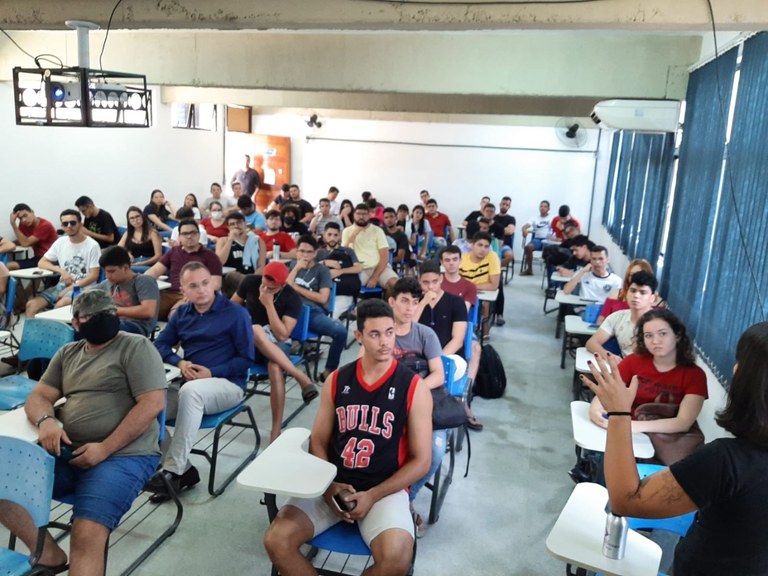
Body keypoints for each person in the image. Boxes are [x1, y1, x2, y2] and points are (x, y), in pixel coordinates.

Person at [578, 324, 768, 576]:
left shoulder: (727, 460)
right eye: (648, 335)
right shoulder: (633, 363)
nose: (734, 369)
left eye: (741, 362)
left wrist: (619, 414)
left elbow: (625, 501)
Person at [0, 289, 166, 575]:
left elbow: (152, 403)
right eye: (93, 316)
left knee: (86, 534)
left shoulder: (135, 346)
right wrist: (46, 421)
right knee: (4, 478)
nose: (104, 319)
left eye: (109, 313)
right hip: (68, 450)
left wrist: (104, 448)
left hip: (122, 455)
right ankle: (48, 553)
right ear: (76, 323)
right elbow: (39, 396)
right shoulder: (68, 353)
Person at [263, 299, 432, 576]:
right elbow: (318, 440)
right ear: (359, 336)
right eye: (375, 334)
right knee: (276, 541)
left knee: (397, 559)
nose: (385, 342)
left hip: (383, 490)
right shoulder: (338, 380)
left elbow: (422, 460)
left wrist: (373, 495)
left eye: (389, 332)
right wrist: (329, 486)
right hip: (333, 484)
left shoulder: (414, 387)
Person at [150, 262, 255, 501]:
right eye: (193, 286)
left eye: (205, 283)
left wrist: (212, 372)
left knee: (191, 391)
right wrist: (179, 362)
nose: (201, 290)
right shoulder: (182, 315)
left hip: (228, 384)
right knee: (147, 404)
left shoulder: (235, 313)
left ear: (214, 282)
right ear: (183, 290)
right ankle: (185, 471)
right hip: (189, 383)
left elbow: (246, 359)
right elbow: (160, 344)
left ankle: (173, 471)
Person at [232, 261, 319, 442]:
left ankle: (276, 430)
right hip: (251, 342)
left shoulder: (292, 298)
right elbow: (230, 308)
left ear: (282, 285)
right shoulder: (250, 281)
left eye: (271, 288)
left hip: (277, 343)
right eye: (264, 284)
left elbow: (282, 335)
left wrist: (268, 304)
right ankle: (300, 377)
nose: (265, 289)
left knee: (275, 367)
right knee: (256, 329)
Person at [587, 308, 707, 434]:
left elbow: (682, 423)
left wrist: (631, 426)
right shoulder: (633, 361)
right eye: (648, 335)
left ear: (677, 335)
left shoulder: (695, 375)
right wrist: (595, 411)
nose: (655, 341)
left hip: (665, 437)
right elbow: (607, 392)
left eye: (663, 333)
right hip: (627, 429)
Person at [388, 276, 445, 538]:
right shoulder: (382, 333)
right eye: (404, 301)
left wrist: (413, 391)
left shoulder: (425, 334)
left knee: (434, 453)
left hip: (422, 404)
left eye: (414, 302)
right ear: (392, 302)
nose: (410, 307)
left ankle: (406, 498)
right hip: (389, 404)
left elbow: (438, 374)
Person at [418, 258, 483, 431]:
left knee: (440, 375)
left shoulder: (455, 302)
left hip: (447, 357)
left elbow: (457, 340)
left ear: (441, 279)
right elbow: (408, 328)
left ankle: (447, 413)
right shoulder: (416, 302)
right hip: (420, 357)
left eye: (434, 281)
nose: (430, 287)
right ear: (419, 282)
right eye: (425, 283)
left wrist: (437, 359)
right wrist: (423, 303)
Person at [286, 235, 347, 382]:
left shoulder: (322, 270)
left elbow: (322, 298)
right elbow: (284, 289)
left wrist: (297, 288)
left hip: (311, 312)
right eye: (301, 251)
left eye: (309, 252)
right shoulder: (292, 266)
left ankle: (329, 371)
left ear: (315, 253)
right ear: (297, 252)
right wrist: (296, 269)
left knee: (340, 332)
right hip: (289, 311)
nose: (304, 255)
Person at [25, 209, 101, 318]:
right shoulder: (60, 242)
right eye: (65, 224)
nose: (69, 226)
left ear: (80, 224)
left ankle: (54, 329)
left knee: (60, 306)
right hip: (62, 285)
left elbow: (94, 275)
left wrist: (69, 289)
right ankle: (34, 330)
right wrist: (62, 272)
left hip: (84, 288)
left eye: (73, 223)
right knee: (31, 305)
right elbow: (42, 262)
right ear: (62, 226)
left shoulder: (92, 245)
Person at [145, 218, 223, 320]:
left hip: (192, 296)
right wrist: (140, 283)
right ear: (180, 237)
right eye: (185, 234)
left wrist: (196, 293)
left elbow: (216, 284)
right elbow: (154, 271)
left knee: (176, 316)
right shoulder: (173, 252)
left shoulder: (210, 256)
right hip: (170, 293)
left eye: (193, 233)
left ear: (199, 235)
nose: (189, 236)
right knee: (142, 309)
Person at [586, 271, 658, 358]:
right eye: (633, 291)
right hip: (622, 365)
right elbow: (591, 343)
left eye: (642, 293)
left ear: (652, 298)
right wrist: (610, 357)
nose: (636, 295)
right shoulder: (617, 317)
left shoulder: (660, 323)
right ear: (626, 293)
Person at [96, 246, 160, 337]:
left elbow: (148, 311)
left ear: (125, 268)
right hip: (113, 323)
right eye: (105, 272)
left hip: (137, 327)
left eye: (111, 271)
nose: (107, 276)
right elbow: (85, 296)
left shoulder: (144, 281)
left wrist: (112, 310)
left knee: (101, 328)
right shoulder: (107, 283)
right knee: (82, 326)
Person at [342, 203, 398, 292]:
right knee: (345, 286)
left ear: (369, 215)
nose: (361, 216)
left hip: (379, 268)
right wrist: (354, 235)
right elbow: (344, 254)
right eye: (358, 214)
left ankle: (387, 301)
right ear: (353, 215)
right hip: (358, 270)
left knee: (396, 285)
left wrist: (375, 277)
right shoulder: (347, 231)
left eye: (364, 214)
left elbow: (385, 257)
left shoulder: (377, 231)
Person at [316, 222, 362, 319]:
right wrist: (325, 262)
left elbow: (358, 268)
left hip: (343, 292)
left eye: (335, 235)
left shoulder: (347, 251)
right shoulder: (319, 253)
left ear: (339, 236)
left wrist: (340, 271)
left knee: (332, 315)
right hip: (322, 292)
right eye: (329, 234)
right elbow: (310, 268)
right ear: (324, 235)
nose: (332, 238)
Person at [459, 231, 500, 340]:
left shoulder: (492, 257)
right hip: (464, 293)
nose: (483, 249)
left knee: (484, 304)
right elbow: (456, 282)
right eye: (480, 245)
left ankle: (484, 333)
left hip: (481, 294)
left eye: (486, 246)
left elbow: (494, 285)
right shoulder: (462, 258)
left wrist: (471, 287)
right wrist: (470, 289)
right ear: (472, 245)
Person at [216, 211, 266, 297]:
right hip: (230, 282)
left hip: (252, 278)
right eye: (232, 224)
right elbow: (219, 262)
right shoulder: (223, 241)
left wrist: (252, 280)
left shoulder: (257, 241)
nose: (236, 226)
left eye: (239, 222)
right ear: (228, 227)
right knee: (233, 275)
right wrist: (230, 240)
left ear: (245, 224)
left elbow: (261, 266)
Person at [597, 258, 662, 324]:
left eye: (639, 274)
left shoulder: (658, 302)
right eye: (631, 275)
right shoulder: (615, 295)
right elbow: (601, 320)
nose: (635, 277)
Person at [8, 203, 58, 270]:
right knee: (7, 265)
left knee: (10, 266)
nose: (23, 220)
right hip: (38, 258)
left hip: (51, 260)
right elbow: (22, 240)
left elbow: (25, 243)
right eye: (20, 218)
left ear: (32, 212)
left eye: (25, 215)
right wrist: (7, 244)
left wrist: (13, 224)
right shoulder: (23, 225)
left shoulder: (45, 225)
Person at [520, 200, 552, 276]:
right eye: (541, 206)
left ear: (548, 208)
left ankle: (550, 270)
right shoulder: (534, 218)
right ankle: (529, 270)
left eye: (545, 206)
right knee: (528, 247)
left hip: (548, 240)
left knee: (552, 250)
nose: (542, 208)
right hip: (538, 240)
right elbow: (525, 226)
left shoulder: (552, 218)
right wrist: (524, 229)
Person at [383, 207, 412, 272]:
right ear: (383, 220)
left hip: (391, 265)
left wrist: (386, 261)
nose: (389, 219)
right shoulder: (380, 232)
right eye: (386, 217)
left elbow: (400, 257)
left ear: (396, 217)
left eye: (391, 217)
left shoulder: (402, 236)